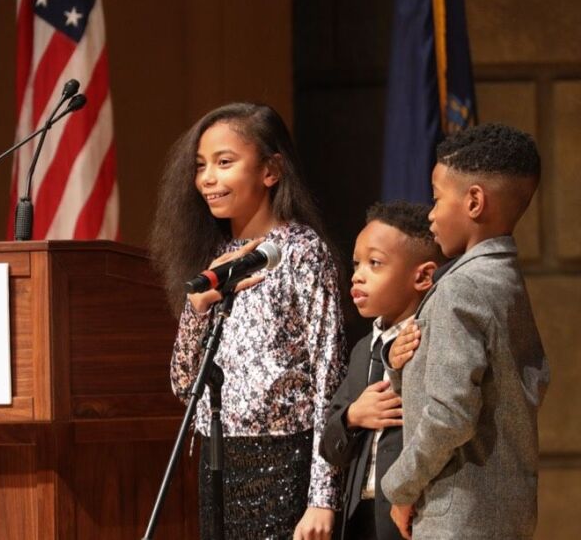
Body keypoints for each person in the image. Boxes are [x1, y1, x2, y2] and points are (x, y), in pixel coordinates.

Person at [150, 102, 346, 539]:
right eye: (201, 166)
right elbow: (186, 386)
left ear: (271, 170)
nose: (208, 179)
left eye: (224, 163)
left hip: (284, 461)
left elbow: (328, 379)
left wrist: (322, 496)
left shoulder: (302, 251)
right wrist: (196, 314)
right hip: (220, 459)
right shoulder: (217, 257)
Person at [380, 124, 550, 539]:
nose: (431, 213)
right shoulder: (504, 277)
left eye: (437, 198)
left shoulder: (461, 286)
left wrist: (399, 486)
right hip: (501, 509)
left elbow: (451, 414)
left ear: (474, 201)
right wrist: (404, 364)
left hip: (459, 515)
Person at [320, 202, 443, 540]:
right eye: (357, 263)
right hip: (360, 516)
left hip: (411, 517)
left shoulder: (434, 341)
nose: (358, 275)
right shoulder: (363, 351)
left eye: (375, 264)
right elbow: (330, 445)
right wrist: (352, 417)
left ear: (422, 276)